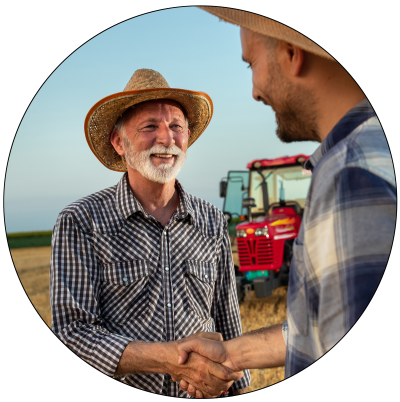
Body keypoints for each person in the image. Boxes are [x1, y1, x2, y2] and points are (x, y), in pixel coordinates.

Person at [175, 8, 396, 397]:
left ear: (293, 53)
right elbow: (321, 326)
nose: (255, 90)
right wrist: (230, 353)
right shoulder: (363, 153)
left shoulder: (350, 179)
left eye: (251, 65)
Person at [50, 68, 250, 397]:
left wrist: (238, 386)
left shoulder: (212, 220)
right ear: (119, 142)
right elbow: (73, 334)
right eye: (150, 127)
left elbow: (227, 320)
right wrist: (169, 360)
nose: (167, 139)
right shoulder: (82, 221)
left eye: (176, 126)